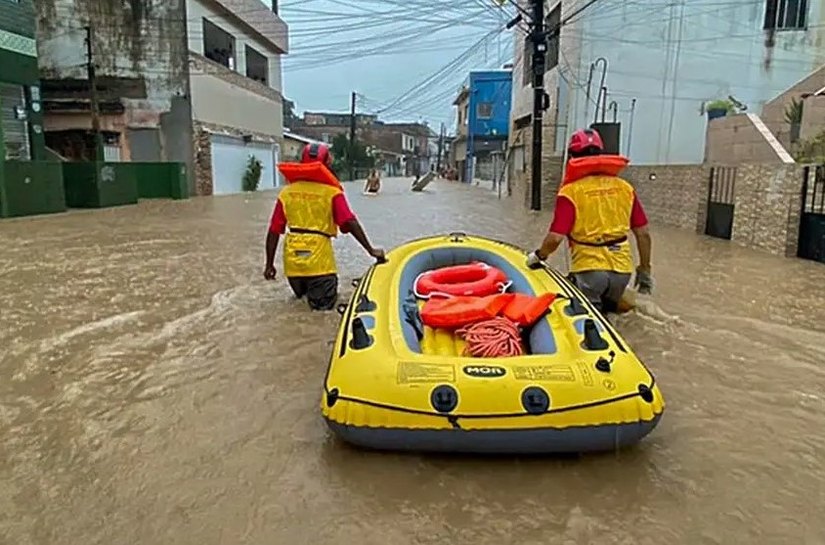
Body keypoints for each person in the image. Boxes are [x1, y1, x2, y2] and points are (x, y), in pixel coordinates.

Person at [526, 128, 653, 313]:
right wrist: (644, 270)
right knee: (612, 316)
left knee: (590, 321)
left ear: (572, 157)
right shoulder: (625, 188)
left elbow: (554, 239)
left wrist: (539, 256)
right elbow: (644, 234)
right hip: (622, 272)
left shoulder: (570, 192)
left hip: (589, 272)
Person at [264, 143, 385, 311]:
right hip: (319, 262)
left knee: (301, 309)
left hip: (292, 264)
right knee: (322, 314)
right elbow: (349, 222)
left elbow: (274, 230)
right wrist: (371, 250)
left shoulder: (286, 193)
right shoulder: (332, 192)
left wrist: (269, 265)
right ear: (327, 165)